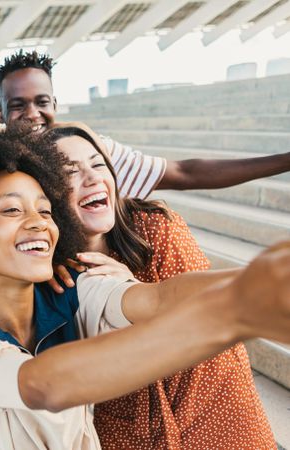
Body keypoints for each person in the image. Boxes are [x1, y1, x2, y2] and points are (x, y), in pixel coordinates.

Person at [0, 126, 290, 449]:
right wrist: (234, 311)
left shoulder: (69, 290)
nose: (38, 223)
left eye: (45, 210)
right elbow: (41, 384)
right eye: (12, 210)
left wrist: (254, 278)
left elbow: (155, 300)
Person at [48, 125, 276, 449]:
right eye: (70, 172)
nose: (92, 177)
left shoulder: (154, 227)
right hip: (123, 427)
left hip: (209, 406)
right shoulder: (48, 270)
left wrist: (131, 288)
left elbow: (211, 321)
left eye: (98, 164)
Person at [0, 50, 290, 199]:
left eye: (42, 102)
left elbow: (184, 173)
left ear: (54, 105)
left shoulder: (92, 154)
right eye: (18, 105)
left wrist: (285, 161)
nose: (33, 114)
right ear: (0, 113)